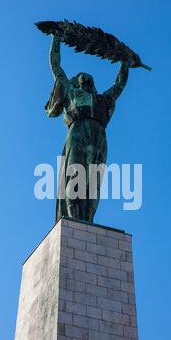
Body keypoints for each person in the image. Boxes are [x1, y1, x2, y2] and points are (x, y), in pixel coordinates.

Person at [46, 35, 129, 223]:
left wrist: (125, 61)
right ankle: (73, 219)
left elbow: (119, 84)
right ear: (77, 82)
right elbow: (56, 66)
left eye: (89, 77)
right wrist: (56, 38)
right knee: (75, 176)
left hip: (99, 137)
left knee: (94, 183)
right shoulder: (71, 93)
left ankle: (86, 220)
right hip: (77, 133)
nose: (85, 77)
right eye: (81, 77)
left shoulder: (103, 99)